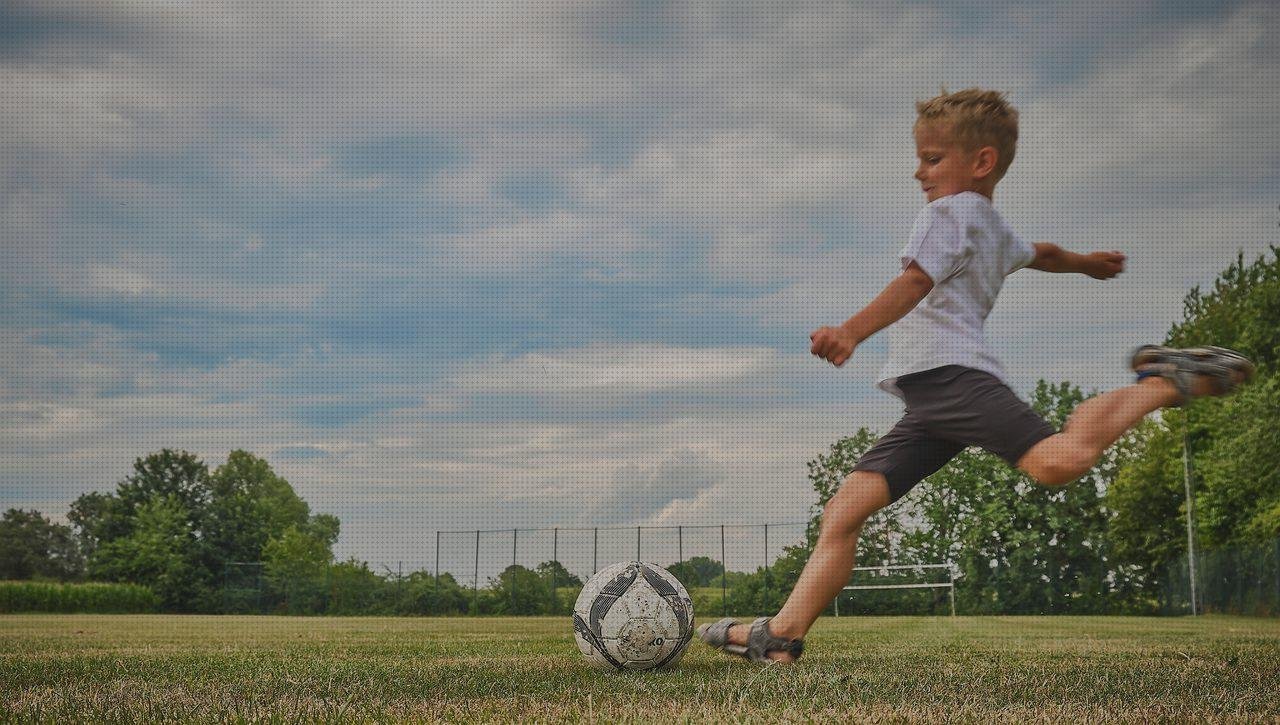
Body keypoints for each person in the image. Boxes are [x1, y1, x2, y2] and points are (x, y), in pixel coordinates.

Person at [697, 88, 1254, 664]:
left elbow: (914, 283)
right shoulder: (991, 226)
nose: (919, 172)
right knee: (845, 510)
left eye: (933, 159)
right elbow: (1043, 252)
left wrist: (851, 331)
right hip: (932, 399)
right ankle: (779, 637)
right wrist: (1087, 264)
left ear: (981, 162)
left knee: (1057, 459)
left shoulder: (949, 214)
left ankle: (1163, 381)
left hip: (953, 379)